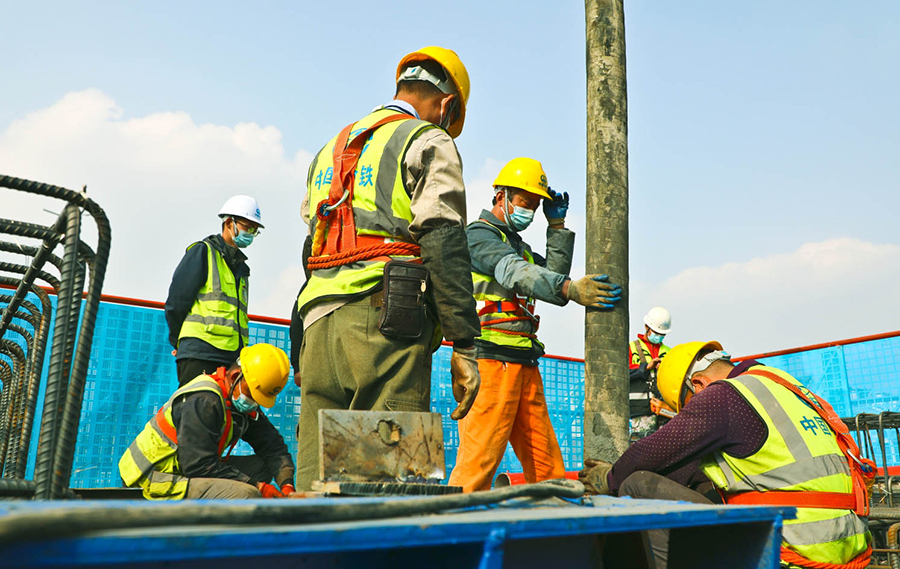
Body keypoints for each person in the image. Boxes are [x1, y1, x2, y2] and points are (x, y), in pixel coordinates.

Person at [294, 46, 482, 491]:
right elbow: (443, 239)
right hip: (384, 326)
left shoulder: (330, 149)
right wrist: (464, 342)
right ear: (448, 104)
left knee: (314, 477)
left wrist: (298, 331)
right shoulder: (429, 140)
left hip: (318, 325)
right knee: (388, 476)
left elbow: (313, 247)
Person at [579, 341, 873, 569]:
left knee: (636, 484)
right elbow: (690, 470)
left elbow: (648, 454)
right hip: (848, 545)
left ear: (698, 385)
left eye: (686, 407)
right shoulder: (776, 383)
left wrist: (608, 477)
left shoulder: (722, 396)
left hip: (796, 552)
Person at [448, 157, 623, 493]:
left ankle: (556, 531)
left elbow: (548, 273)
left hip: (524, 363)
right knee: (478, 465)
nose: (529, 210)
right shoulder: (478, 237)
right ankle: (449, 537)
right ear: (501, 197)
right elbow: (516, 273)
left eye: (535, 204)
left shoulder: (517, 246)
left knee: (547, 467)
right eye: (525, 202)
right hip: (490, 362)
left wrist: (556, 228)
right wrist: (570, 289)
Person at [119, 343, 295, 500]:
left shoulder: (238, 401)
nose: (254, 403)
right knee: (246, 494)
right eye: (253, 395)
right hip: (153, 477)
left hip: (186, 469)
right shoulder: (203, 400)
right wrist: (259, 487)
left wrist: (287, 486)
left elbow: (272, 446)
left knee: (264, 466)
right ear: (235, 377)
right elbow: (199, 466)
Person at [165, 195, 263, 386]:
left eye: (255, 230)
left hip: (231, 359)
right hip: (200, 353)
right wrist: (178, 341)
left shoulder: (242, 269)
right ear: (228, 222)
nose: (251, 233)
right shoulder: (203, 252)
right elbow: (177, 301)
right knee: (197, 409)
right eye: (247, 227)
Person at [628, 306, 671, 440]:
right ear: (646, 327)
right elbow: (623, 374)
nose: (659, 336)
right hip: (640, 413)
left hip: (664, 411)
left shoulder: (669, 352)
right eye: (656, 332)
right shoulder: (632, 348)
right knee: (641, 447)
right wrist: (646, 367)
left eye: (662, 334)